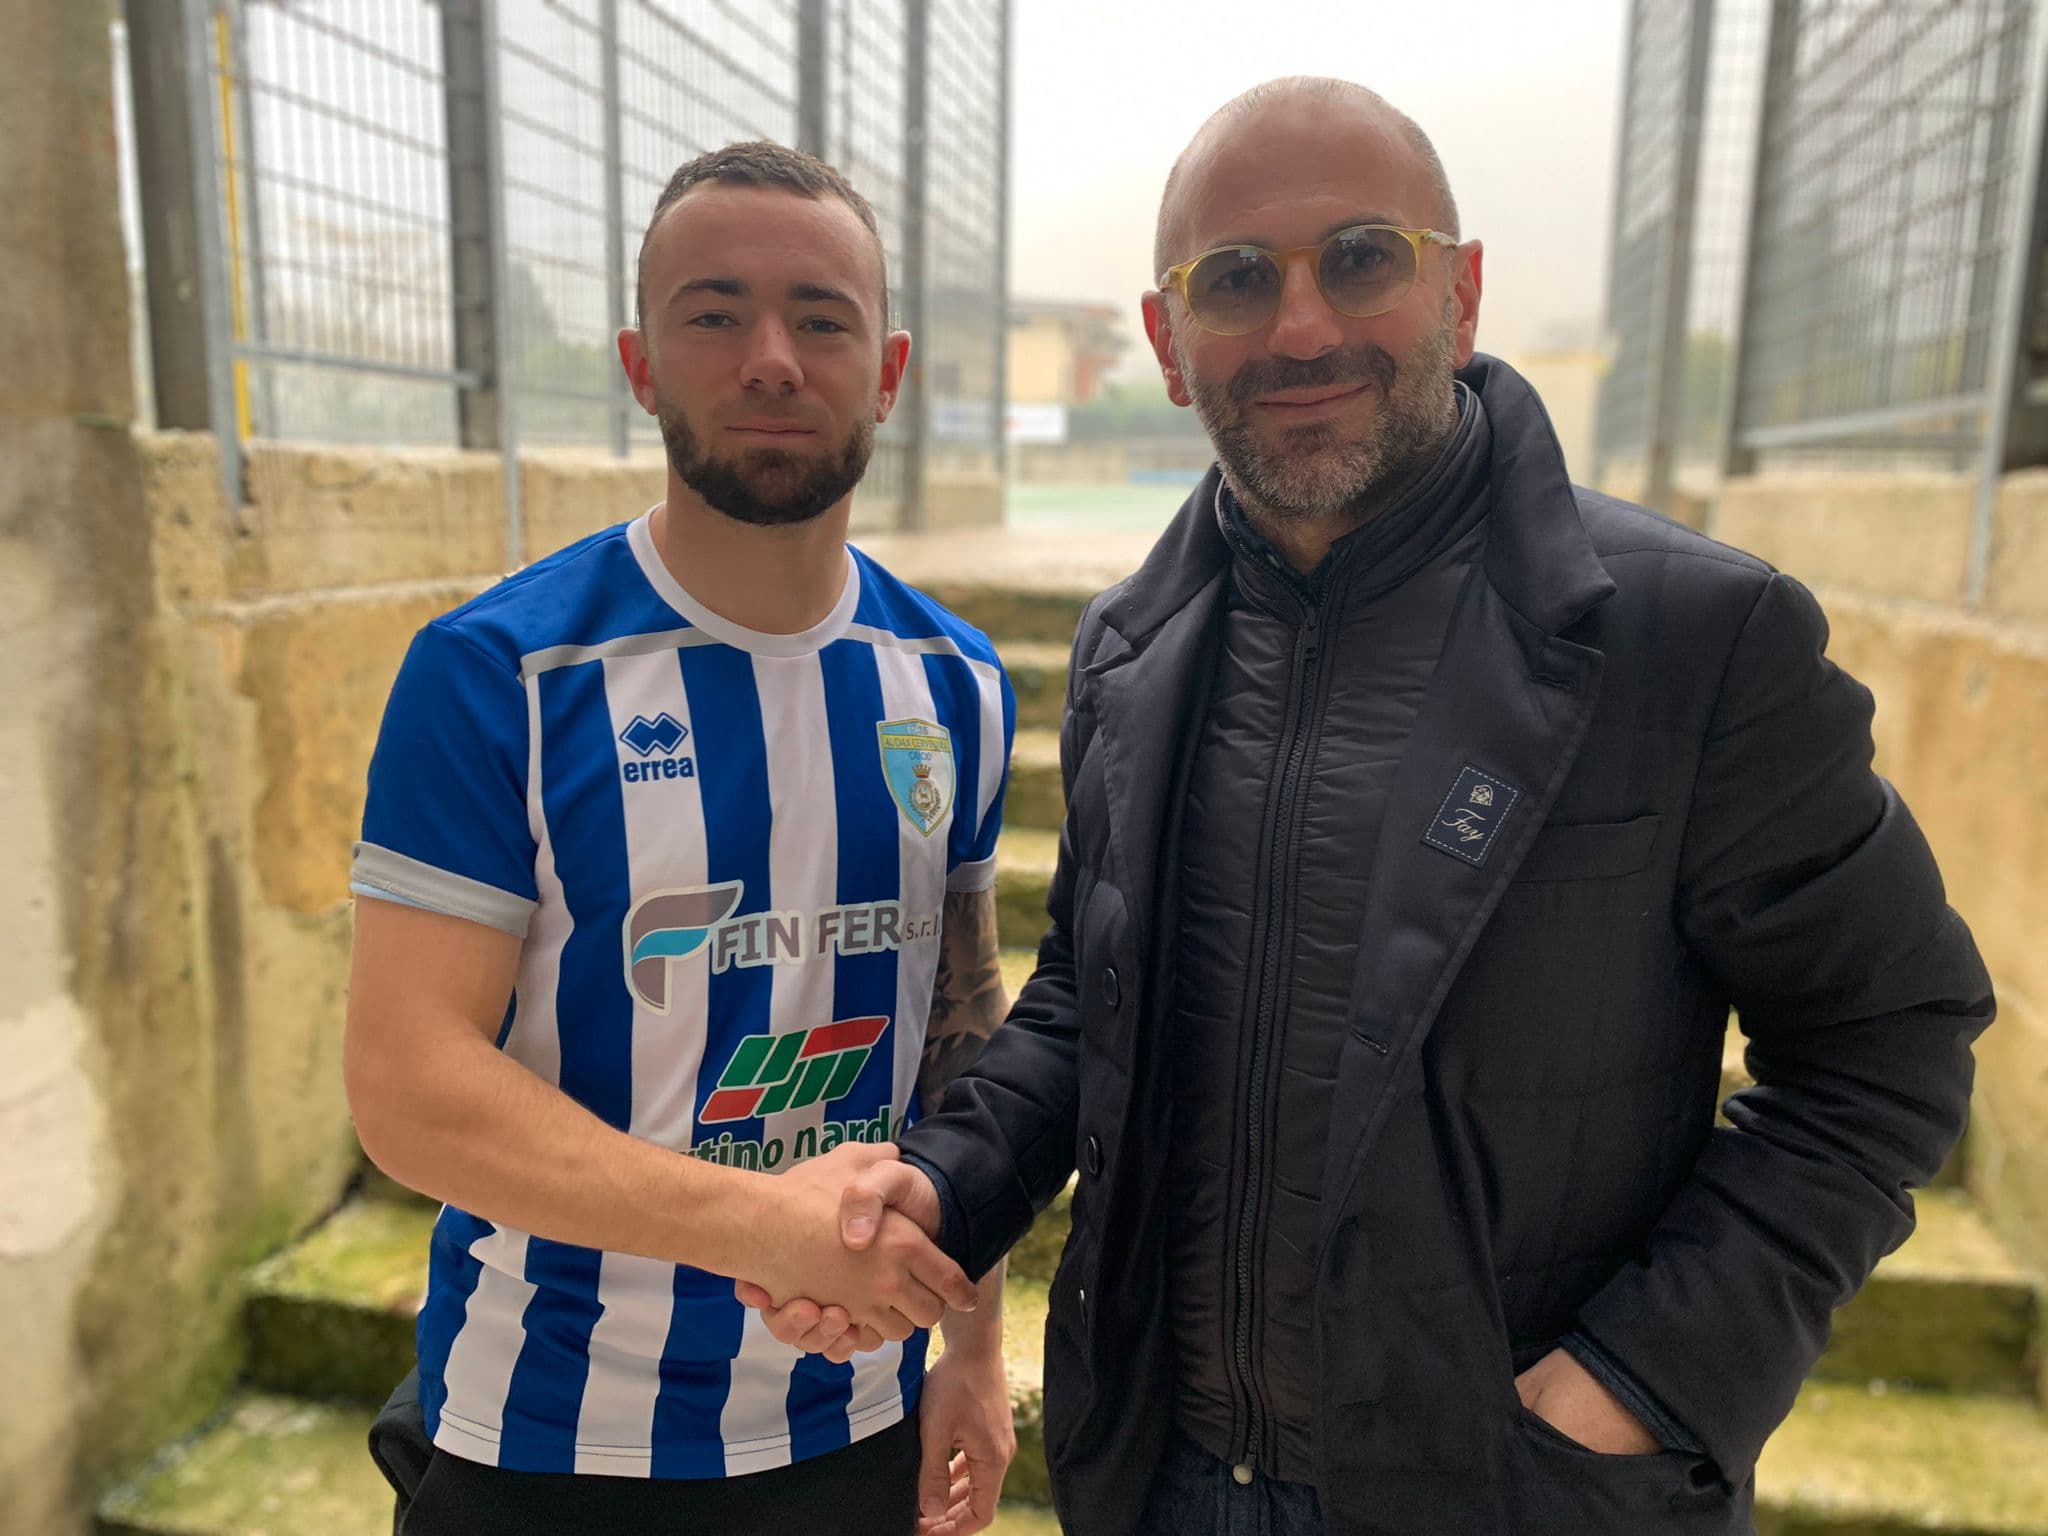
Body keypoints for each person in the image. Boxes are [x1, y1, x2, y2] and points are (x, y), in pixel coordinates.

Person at [745, 79, 1996, 1535]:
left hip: (1513, 1496)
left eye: (1361, 259)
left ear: (1460, 293)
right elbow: (1091, 1001)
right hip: (1160, 1479)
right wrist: (945, 1195)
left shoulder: (1696, 641)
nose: (1300, 329)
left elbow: (1886, 1042)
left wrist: (1642, 1384)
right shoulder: (1127, 654)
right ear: (1166, 342)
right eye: (1234, 280)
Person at [343, 140, 1019, 1536]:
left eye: (821, 319)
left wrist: (974, 1347)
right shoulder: (499, 674)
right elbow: (407, 1085)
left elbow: (959, 1031)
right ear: (641, 364)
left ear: (887, 372)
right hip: (545, 1438)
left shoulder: (954, 683)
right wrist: (756, 1223)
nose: (772, 360)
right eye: (715, 315)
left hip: (858, 1424)